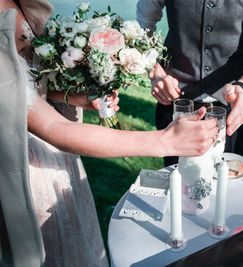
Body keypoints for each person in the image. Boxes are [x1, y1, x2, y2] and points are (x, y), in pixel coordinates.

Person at [0, 0, 219, 266]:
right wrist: (166, 141)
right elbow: (54, 128)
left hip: (61, 158)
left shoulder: (20, 3)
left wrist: (72, 97)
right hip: (25, 166)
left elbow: (26, 88)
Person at [137, 0, 243, 166]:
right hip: (175, 104)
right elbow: (142, 27)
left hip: (229, 109)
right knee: (176, 182)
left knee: (226, 183)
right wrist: (155, 70)